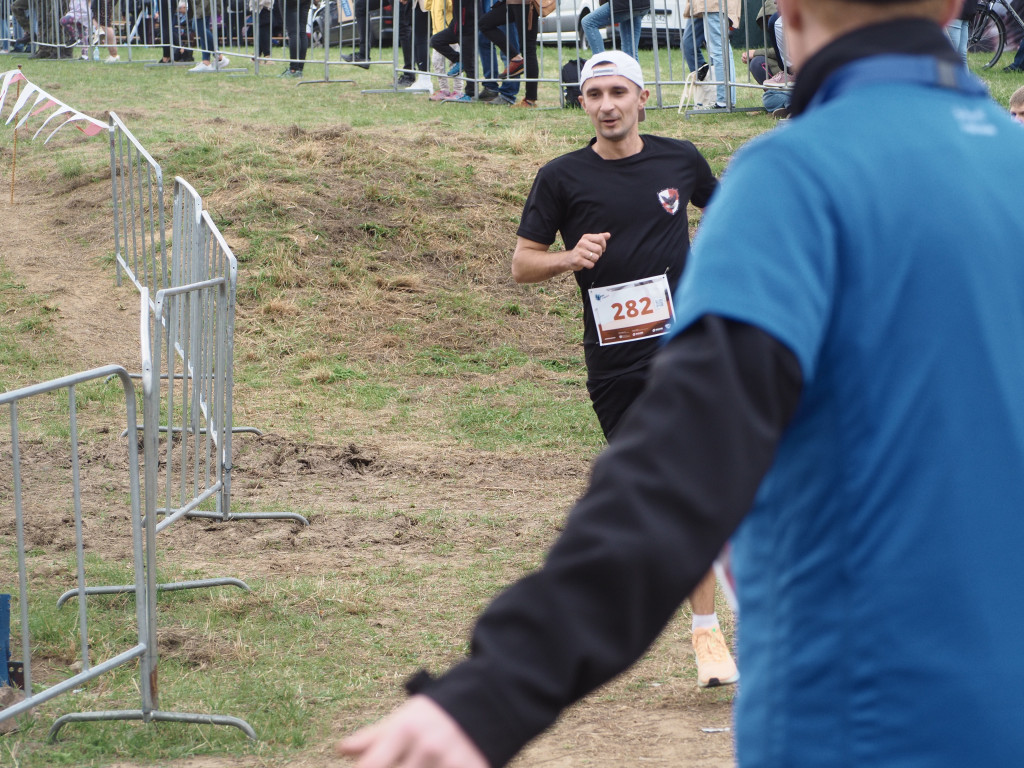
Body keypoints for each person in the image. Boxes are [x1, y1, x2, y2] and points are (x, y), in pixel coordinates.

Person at [337, 0, 1024, 765]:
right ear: (956, 12)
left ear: (786, 17)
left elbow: (682, 464)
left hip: (865, 712)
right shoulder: (1011, 160)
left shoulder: (798, 175)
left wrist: (499, 689)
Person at [478, 0, 538, 106]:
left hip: (526, 4)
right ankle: (515, 58)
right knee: (484, 23)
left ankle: (530, 100)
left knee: (528, 48)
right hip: (512, 3)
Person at [683, 0, 739, 108]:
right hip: (702, 5)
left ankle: (723, 100)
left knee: (719, 48)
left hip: (712, 4)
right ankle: (718, 96)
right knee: (715, 47)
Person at [580, 0, 650, 61]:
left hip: (624, 4)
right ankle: (634, 75)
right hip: (641, 5)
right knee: (630, 54)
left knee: (588, 22)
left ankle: (601, 64)